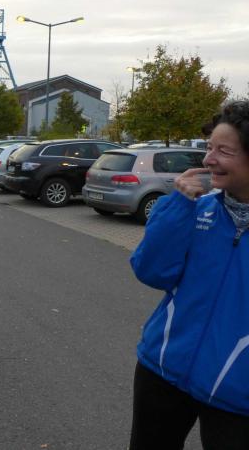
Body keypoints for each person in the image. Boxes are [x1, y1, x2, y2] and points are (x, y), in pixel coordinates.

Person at [129, 100, 249, 450]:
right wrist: (179, 208)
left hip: (237, 390)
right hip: (163, 369)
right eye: (209, 147)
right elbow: (151, 271)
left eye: (223, 151)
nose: (209, 159)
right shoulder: (194, 208)